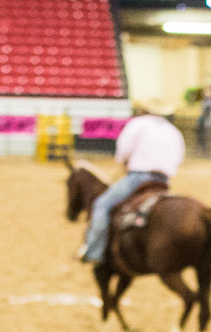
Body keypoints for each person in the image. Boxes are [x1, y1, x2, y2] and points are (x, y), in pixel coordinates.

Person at [79, 105, 184, 264]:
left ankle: (94, 252)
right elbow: (178, 157)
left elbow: (124, 148)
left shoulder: (138, 124)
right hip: (163, 181)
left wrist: (122, 161)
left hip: (138, 177)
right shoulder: (173, 131)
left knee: (101, 205)